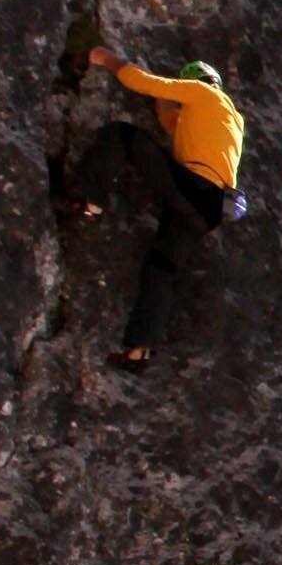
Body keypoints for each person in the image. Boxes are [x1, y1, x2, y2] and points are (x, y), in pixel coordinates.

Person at [61, 43, 244, 367]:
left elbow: (138, 81)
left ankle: (92, 201)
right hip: (210, 210)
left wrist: (107, 59)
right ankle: (140, 348)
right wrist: (160, 100)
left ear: (197, 82)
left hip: (194, 188)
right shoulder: (230, 119)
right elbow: (169, 122)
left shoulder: (204, 94)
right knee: (161, 268)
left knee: (124, 136)